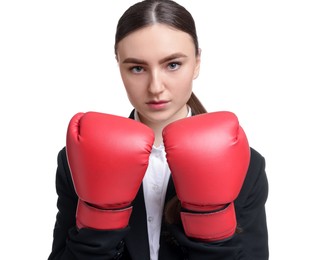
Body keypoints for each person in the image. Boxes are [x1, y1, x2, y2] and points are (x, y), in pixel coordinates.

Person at [48, 0, 269, 259]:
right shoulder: (80, 157)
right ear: (119, 65)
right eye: (137, 68)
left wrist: (210, 230)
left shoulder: (242, 162)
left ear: (197, 62)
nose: (155, 87)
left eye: (172, 64)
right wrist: (98, 226)